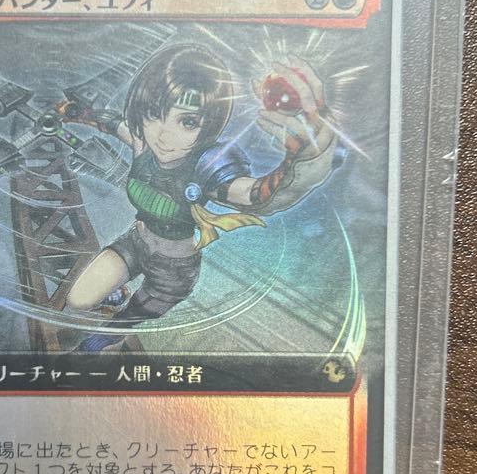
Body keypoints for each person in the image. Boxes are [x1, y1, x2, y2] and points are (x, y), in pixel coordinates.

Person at [59, 43, 337, 350]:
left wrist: (301, 164)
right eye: (153, 114)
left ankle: (110, 332)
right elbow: (115, 124)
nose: (164, 136)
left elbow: (256, 195)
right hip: (135, 241)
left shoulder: (207, 164)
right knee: (78, 299)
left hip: (172, 268)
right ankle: (113, 294)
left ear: (209, 124)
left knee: (125, 320)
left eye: (188, 122)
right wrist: (82, 114)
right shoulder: (144, 145)